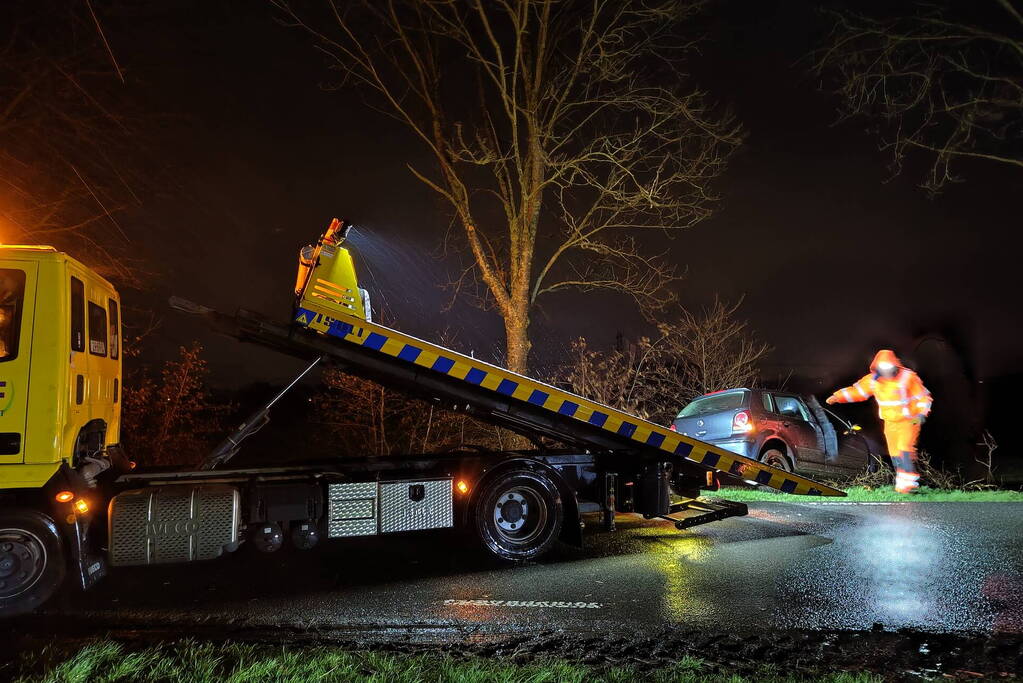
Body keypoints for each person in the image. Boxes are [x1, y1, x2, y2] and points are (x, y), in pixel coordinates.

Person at [825, 350, 932, 493]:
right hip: (890, 423)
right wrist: (837, 397)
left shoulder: (908, 377)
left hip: (908, 421)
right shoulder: (873, 380)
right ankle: (903, 486)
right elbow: (858, 392)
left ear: (895, 366)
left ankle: (910, 484)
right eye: (884, 368)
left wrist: (921, 414)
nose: (887, 372)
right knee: (895, 453)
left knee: (904, 449)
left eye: (889, 368)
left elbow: (923, 397)